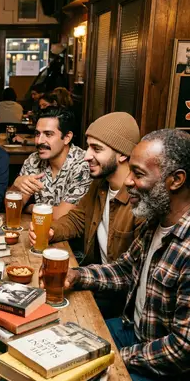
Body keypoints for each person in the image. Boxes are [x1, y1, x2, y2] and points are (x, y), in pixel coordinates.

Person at [63, 129, 190, 381]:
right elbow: (124, 270)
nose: (129, 181)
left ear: (176, 180)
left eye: (139, 173)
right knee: (61, 347)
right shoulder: (156, 222)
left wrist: (121, 358)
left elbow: (183, 349)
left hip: (173, 377)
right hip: (134, 332)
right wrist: (77, 275)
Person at [29, 112, 142, 317]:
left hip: (121, 304)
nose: (86, 155)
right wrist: (52, 231)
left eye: (96, 149)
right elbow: (77, 218)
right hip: (97, 284)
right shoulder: (100, 185)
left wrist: (79, 276)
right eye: (88, 146)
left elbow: (130, 273)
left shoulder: (139, 201)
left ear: (123, 154)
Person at [12, 107, 91, 220]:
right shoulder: (33, 160)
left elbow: (63, 216)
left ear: (67, 138)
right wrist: (16, 186)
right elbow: (14, 208)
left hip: (70, 236)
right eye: (37, 134)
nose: (39, 141)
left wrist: (30, 208)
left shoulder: (83, 164)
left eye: (48, 134)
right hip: (39, 231)